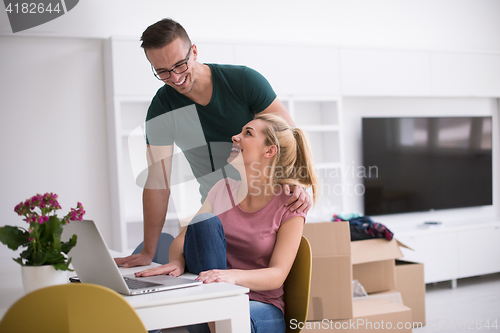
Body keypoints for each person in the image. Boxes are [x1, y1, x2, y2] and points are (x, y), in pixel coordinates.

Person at [115, 18, 312, 269]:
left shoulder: (243, 82)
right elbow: (157, 183)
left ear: (194, 51)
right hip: (214, 210)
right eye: (162, 71)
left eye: (180, 64)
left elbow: (288, 136)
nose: (175, 78)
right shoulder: (162, 110)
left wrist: (296, 182)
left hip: (263, 211)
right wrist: (148, 251)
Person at [135, 113, 319, 333]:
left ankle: (217, 316)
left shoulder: (290, 204)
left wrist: (229, 277)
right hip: (210, 303)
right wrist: (177, 261)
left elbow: (277, 274)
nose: (235, 137)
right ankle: (217, 316)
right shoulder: (222, 188)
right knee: (204, 223)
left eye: (247, 134)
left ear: (269, 151)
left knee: (225, 317)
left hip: (258, 306)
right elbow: (183, 239)